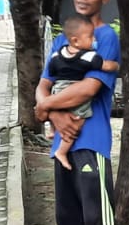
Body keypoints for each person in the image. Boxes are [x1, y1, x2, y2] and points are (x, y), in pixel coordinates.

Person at [36, 0, 120, 225]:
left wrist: (45, 107)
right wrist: (50, 112)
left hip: (92, 142)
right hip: (63, 144)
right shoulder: (61, 39)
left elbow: (88, 89)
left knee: (97, 220)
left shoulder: (106, 37)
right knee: (66, 217)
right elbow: (42, 87)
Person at [42, 15, 121, 171]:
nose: (93, 41)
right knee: (78, 119)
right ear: (76, 40)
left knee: (55, 107)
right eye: (90, 37)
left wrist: (44, 105)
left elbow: (51, 71)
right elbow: (105, 66)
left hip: (57, 89)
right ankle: (62, 151)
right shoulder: (88, 55)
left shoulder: (58, 54)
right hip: (73, 90)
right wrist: (116, 66)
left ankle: (52, 129)